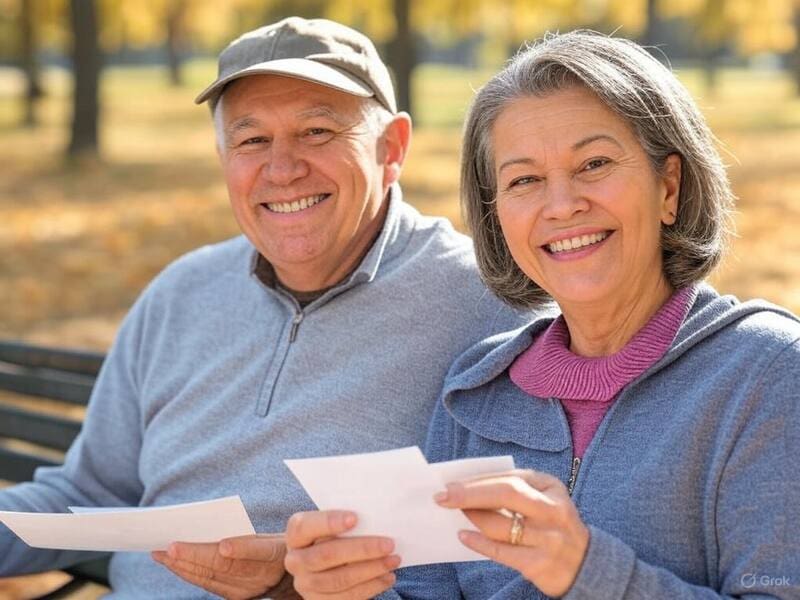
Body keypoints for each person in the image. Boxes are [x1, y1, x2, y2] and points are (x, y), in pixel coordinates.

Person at [0, 17, 529, 598]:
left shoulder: (492, 303)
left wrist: (286, 585)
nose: (282, 168)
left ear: (392, 147)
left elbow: (507, 564)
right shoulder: (181, 293)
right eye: (252, 140)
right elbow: (90, 492)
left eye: (317, 131)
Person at [284, 30, 800, 599]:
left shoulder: (769, 374)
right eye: (524, 180)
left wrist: (585, 572)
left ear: (669, 187)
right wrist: (347, 589)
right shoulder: (475, 396)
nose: (561, 205)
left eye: (594, 163)